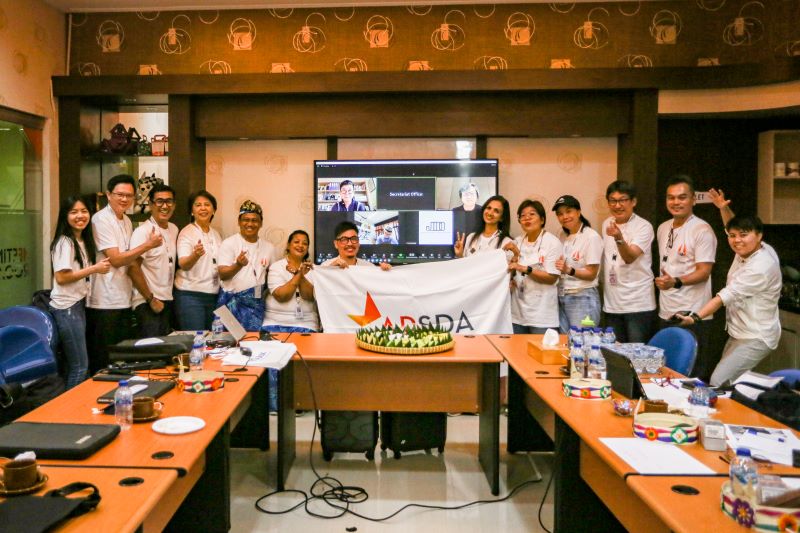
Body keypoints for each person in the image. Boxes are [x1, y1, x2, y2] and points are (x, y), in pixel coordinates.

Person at [676, 215, 781, 386]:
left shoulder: (760, 267)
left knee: (719, 381)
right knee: (733, 383)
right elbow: (733, 227)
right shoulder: (752, 249)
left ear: (759, 235)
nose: (737, 240)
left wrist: (694, 317)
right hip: (739, 332)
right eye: (732, 236)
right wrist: (722, 208)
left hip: (755, 336)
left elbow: (723, 297)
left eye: (743, 235)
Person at [87, 174, 163, 372]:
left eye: (129, 196)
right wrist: (147, 245)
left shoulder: (127, 221)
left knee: (121, 361)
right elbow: (116, 259)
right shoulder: (100, 219)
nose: (124, 199)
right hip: (104, 300)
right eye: (120, 194)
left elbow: (129, 260)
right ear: (108, 194)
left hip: (124, 298)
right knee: (103, 362)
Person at [655, 175, 717, 379]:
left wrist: (676, 282)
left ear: (693, 199)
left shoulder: (702, 229)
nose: (676, 202)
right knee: (665, 374)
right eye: (671, 197)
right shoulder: (663, 227)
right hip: (666, 311)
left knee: (691, 377)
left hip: (694, 314)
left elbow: (704, 271)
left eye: (682, 197)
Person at [49, 197, 111, 389]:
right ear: (65, 216)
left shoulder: (82, 240)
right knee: (79, 366)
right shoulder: (64, 242)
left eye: (84, 211)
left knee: (80, 366)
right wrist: (95, 269)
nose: (80, 216)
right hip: (66, 308)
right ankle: (67, 407)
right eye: (74, 212)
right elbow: (62, 277)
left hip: (78, 304)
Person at [262, 230, 319, 411]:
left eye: (305, 243)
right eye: (296, 241)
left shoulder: (313, 269)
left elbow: (309, 296)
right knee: (273, 362)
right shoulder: (276, 267)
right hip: (275, 322)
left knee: (301, 363)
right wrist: (298, 276)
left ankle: (299, 404)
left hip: (305, 324)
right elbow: (281, 295)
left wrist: (301, 274)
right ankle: (276, 407)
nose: (300, 245)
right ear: (288, 245)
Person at [600, 181, 656, 343]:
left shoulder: (643, 226)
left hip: (638, 304)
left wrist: (619, 238)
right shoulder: (607, 223)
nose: (617, 205)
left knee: (636, 355)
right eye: (613, 200)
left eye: (623, 200)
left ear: (633, 201)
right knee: (614, 353)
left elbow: (629, 257)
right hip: (612, 303)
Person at [128, 184, 179, 337]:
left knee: (166, 347)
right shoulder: (142, 232)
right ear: (150, 204)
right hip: (147, 302)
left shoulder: (174, 229)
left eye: (169, 201)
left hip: (167, 299)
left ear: (174, 205)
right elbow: (132, 267)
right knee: (152, 348)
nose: (165, 206)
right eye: (159, 201)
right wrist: (150, 299)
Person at [217, 200, 274, 331]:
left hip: (255, 305)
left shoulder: (269, 247)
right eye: (246, 220)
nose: (250, 224)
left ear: (261, 223)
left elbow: (271, 275)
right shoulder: (229, 243)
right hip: (231, 303)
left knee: (253, 340)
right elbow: (223, 274)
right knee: (227, 341)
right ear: (239, 221)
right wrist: (238, 265)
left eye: (254, 220)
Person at [507, 200, 562, 334]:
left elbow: (552, 278)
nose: (527, 218)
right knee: (516, 348)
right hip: (518, 314)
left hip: (542, 316)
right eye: (523, 216)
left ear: (542, 220)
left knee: (543, 348)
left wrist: (525, 269)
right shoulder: (516, 242)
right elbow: (510, 271)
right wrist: (514, 260)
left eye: (532, 214)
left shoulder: (552, 242)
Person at [552, 195, 603, 333]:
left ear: (579, 212)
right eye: (560, 214)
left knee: (582, 342)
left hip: (583, 298)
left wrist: (569, 270)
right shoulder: (563, 237)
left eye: (568, 211)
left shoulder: (591, 237)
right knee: (566, 342)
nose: (564, 217)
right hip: (562, 296)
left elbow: (591, 274)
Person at [174, 190, 223, 331]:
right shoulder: (186, 232)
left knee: (212, 339)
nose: (203, 208)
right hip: (190, 295)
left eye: (207, 205)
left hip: (213, 295)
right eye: (198, 205)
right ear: (192, 211)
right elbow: (183, 264)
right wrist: (195, 255)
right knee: (196, 339)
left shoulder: (216, 234)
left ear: (213, 210)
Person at [453, 194, 518, 259]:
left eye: (496, 211)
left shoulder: (507, 242)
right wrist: (460, 255)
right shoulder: (471, 237)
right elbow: (466, 264)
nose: (490, 213)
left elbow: (508, 265)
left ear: (502, 218)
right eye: (488, 208)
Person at [323, 220, 391, 270]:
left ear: (358, 243)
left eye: (354, 239)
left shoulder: (369, 267)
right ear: (336, 244)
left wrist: (385, 274)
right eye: (344, 239)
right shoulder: (325, 266)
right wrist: (329, 271)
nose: (350, 243)